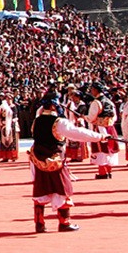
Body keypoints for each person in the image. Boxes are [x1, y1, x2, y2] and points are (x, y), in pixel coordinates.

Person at [30, 96, 109, 233]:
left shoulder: (37, 120)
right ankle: (64, 222)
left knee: (41, 188)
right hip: (55, 159)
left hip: (38, 158)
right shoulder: (59, 122)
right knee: (62, 187)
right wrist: (99, 137)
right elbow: (77, 133)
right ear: (53, 106)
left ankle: (39, 223)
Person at [85, 82, 120, 179]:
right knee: (109, 149)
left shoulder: (96, 103)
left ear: (96, 90)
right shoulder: (110, 102)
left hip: (100, 128)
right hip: (110, 127)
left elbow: (91, 117)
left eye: (92, 89)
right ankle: (109, 171)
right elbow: (115, 116)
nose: (91, 91)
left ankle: (102, 172)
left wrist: (85, 117)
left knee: (101, 150)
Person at [0, 92, 19, 162]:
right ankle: (5, 156)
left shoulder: (13, 107)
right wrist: (1, 122)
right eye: (7, 98)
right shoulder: (2, 107)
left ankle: (13, 156)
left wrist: (10, 122)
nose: (9, 100)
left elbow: (15, 116)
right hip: (4, 125)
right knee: (4, 141)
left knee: (12, 141)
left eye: (10, 98)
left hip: (12, 126)